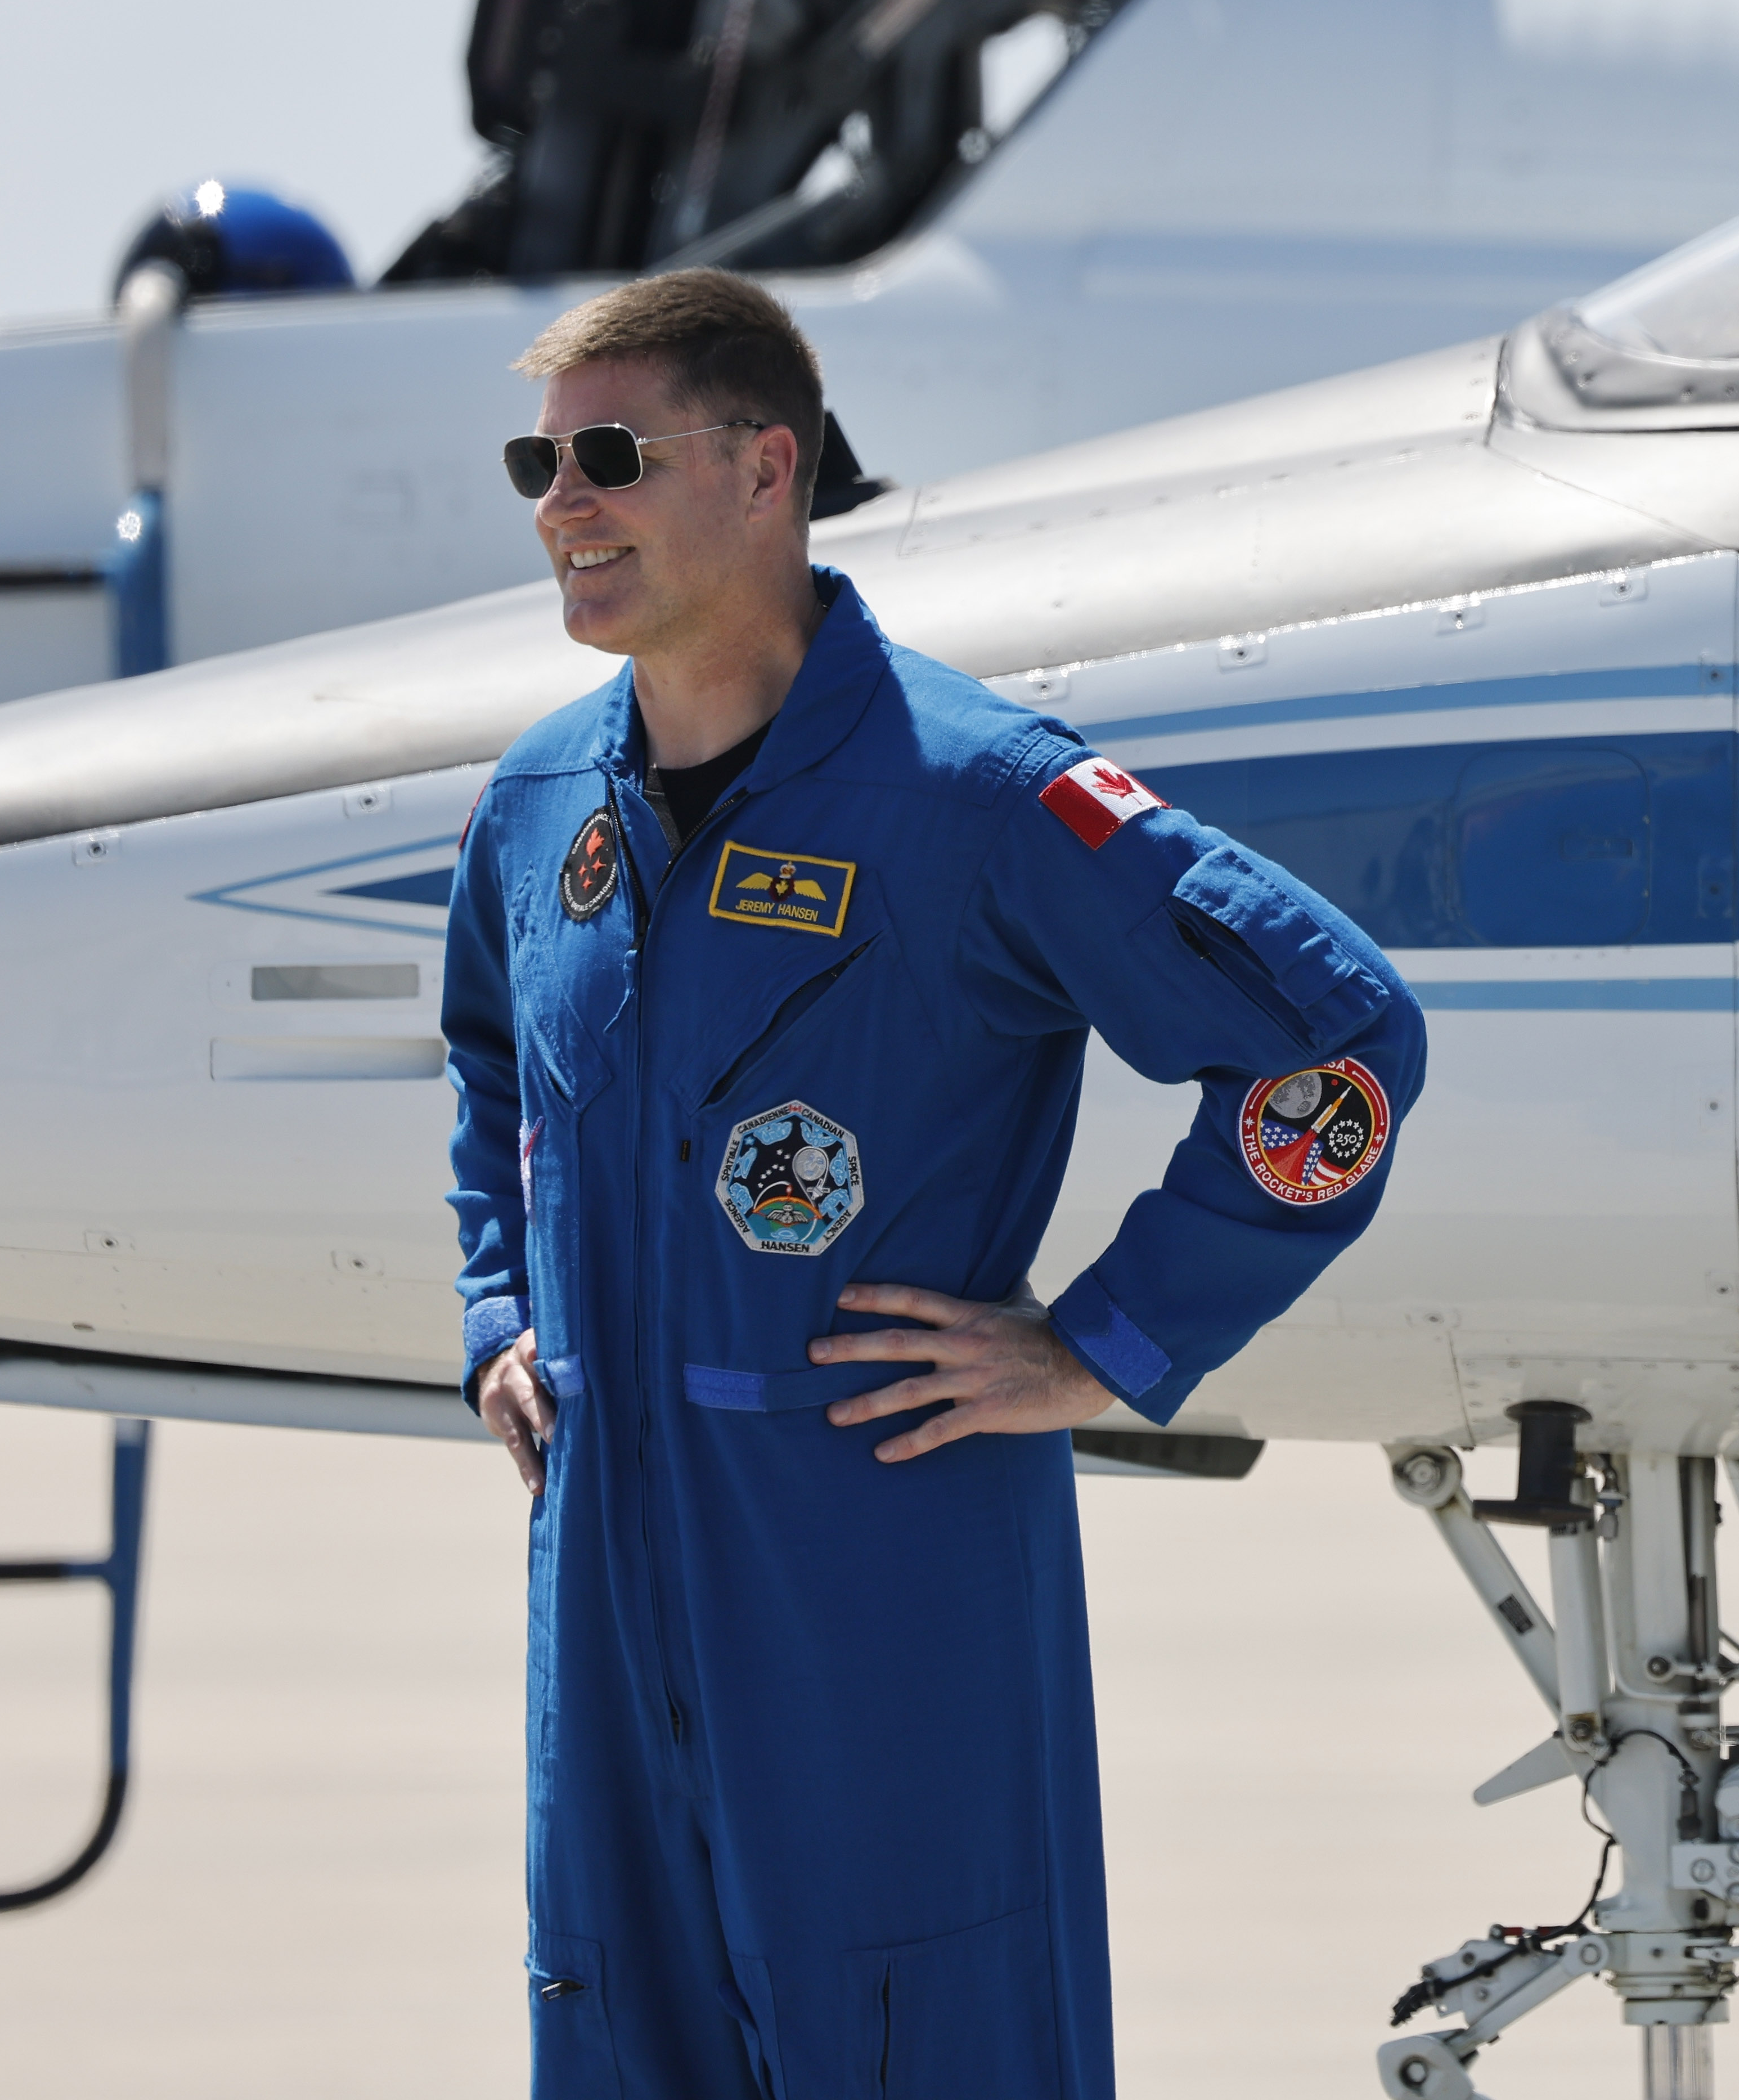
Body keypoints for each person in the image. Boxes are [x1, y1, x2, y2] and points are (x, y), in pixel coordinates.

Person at [442, 268, 1425, 2095]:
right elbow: (491, 1057)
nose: (561, 504)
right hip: (603, 1577)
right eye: (538, 461)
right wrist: (504, 1309)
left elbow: (1336, 1043)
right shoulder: (533, 810)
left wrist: (1109, 1344)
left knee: (924, 2035)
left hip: (876, 1571)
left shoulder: (978, 800)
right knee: (610, 2024)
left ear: (765, 471)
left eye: (607, 456)